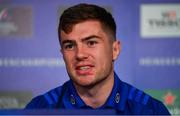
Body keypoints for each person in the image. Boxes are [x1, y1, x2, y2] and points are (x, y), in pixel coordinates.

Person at [25, 3, 170, 115]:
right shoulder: (39, 109)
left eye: (91, 42)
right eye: (69, 45)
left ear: (115, 50)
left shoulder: (151, 111)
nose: (80, 54)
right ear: (62, 53)